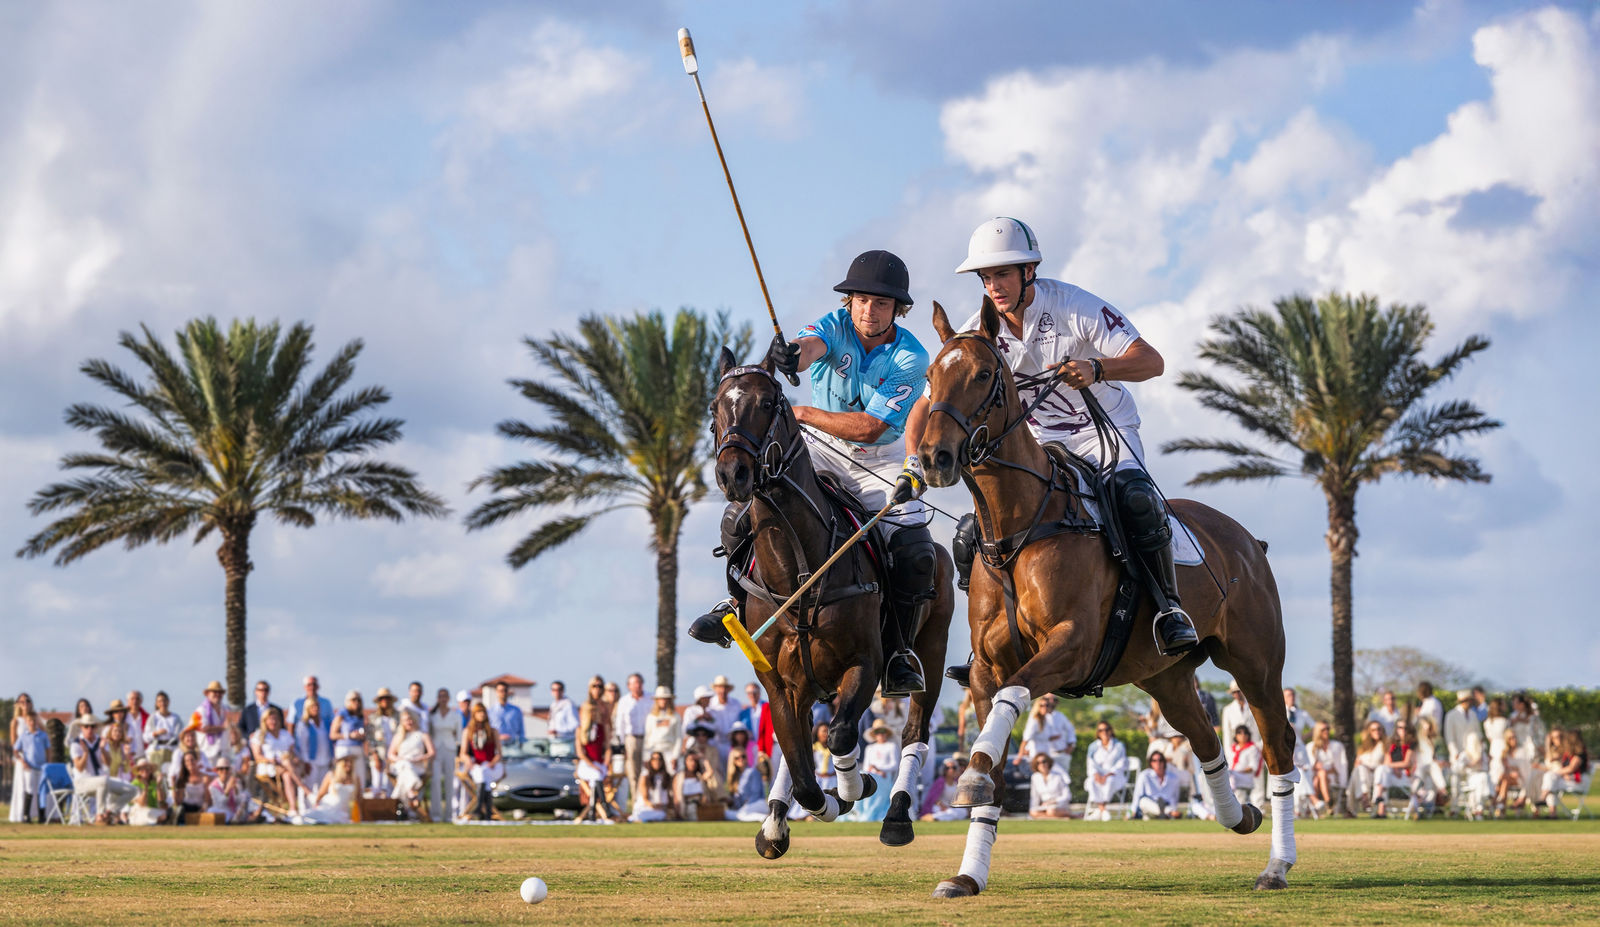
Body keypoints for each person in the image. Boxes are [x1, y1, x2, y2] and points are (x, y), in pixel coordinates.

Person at [910, 218, 1199, 656]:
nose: (994, 286)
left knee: (1134, 496)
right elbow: (929, 400)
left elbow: (1151, 361)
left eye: (1002, 274)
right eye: (986, 278)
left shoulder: (1073, 305)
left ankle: (1168, 608)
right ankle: (985, 643)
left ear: (1030, 271)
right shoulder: (978, 330)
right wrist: (914, 459)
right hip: (1040, 443)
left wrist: (1099, 368)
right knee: (973, 531)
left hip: (1104, 431)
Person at [689, 249, 937, 696]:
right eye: (861, 300)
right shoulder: (833, 324)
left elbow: (872, 426)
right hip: (819, 451)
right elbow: (810, 348)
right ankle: (734, 599)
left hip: (875, 460)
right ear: (850, 301)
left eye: (881, 303)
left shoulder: (911, 357)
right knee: (745, 512)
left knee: (918, 553)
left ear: (897, 309)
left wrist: (801, 413)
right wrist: (791, 357)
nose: (868, 310)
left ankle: (899, 651)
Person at [70, 714, 139, 823]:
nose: (90, 729)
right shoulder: (76, 743)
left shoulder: (100, 741)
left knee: (132, 790)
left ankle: (109, 812)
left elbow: (108, 763)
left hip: (101, 781)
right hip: (82, 782)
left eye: (92, 726)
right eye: (86, 726)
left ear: (96, 728)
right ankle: (99, 816)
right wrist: (86, 753)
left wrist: (102, 750)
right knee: (103, 780)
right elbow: (79, 768)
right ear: (81, 727)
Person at [252, 706, 305, 814]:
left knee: (288, 773)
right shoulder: (259, 735)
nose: (273, 722)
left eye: (275, 719)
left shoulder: (285, 734)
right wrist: (271, 760)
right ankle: (303, 792)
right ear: (265, 721)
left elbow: (292, 752)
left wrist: (294, 759)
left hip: (286, 768)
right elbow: (257, 756)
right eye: (270, 719)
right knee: (288, 772)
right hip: (268, 767)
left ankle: (295, 807)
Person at [388, 708, 435, 821]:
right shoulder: (399, 736)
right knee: (405, 764)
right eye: (405, 720)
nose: (408, 722)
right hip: (400, 766)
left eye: (410, 719)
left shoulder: (422, 735)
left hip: (417, 767)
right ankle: (412, 792)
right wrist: (400, 759)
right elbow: (390, 754)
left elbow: (432, 753)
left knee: (407, 767)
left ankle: (405, 801)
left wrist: (420, 758)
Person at [460, 702, 503, 821]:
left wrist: (492, 763)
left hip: (492, 765)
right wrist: (468, 760)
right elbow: (463, 753)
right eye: (479, 712)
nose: (482, 714)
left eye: (483, 712)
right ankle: (487, 812)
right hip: (477, 765)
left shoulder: (493, 731)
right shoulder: (468, 732)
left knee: (484, 772)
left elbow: (499, 753)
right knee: (482, 773)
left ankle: (479, 808)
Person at [9, 692, 46, 823]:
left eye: (28, 701)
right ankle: (23, 814)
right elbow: (14, 744)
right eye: (22, 701)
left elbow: (44, 735)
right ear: (18, 704)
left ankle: (38, 814)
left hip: (36, 759)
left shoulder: (36, 719)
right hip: (23, 759)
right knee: (24, 787)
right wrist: (20, 759)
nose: (25, 704)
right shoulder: (15, 721)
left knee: (37, 786)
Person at [428, 687, 463, 820]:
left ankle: (450, 814)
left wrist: (459, 754)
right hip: (436, 750)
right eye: (440, 696)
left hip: (450, 750)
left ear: (448, 698)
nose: (443, 699)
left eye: (445, 696)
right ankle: (436, 814)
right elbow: (429, 734)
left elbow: (459, 736)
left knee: (450, 782)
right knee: (436, 781)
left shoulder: (455, 715)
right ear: (438, 698)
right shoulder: (432, 715)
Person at [853, 720, 899, 822]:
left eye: (882, 731)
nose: (880, 734)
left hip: (884, 778)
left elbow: (895, 765)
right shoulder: (870, 748)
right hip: (871, 776)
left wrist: (880, 769)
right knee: (861, 777)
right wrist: (872, 770)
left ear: (886, 733)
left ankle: (870, 814)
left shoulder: (891, 746)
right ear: (874, 734)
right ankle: (859, 812)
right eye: (878, 732)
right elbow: (866, 766)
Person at [613, 673, 650, 800]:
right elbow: (620, 724)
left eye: (639, 682)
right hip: (631, 739)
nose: (637, 686)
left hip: (648, 739)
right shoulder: (624, 701)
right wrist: (622, 744)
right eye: (634, 683)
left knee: (647, 771)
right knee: (633, 772)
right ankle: (636, 801)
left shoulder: (651, 698)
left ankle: (647, 800)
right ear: (629, 686)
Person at [1085, 721, 1128, 822]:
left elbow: (1122, 763)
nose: (1104, 732)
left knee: (1109, 781)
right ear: (1098, 732)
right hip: (1098, 775)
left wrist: (1108, 774)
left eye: (1106, 729)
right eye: (1101, 730)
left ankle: (1099, 811)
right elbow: (1090, 764)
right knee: (1091, 781)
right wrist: (1096, 774)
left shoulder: (1119, 746)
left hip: (1114, 775)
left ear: (1111, 731)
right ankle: (1103, 810)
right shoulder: (1093, 747)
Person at [1374, 718, 1416, 818]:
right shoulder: (1391, 744)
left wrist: (1393, 767)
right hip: (1392, 774)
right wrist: (1393, 768)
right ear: (1396, 729)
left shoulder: (1412, 744)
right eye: (1400, 727)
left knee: (1383, 772)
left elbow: (1407, 763)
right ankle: (1380, 803)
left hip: (1406, 775)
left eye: (1405, 728)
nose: (1403, 730)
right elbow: (1386, 761)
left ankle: (1379, 801)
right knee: (1382, 770)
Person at [1017, 695, 1075, 770]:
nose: (1045, 707)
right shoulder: (1034, 720)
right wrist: (1020, 756)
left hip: (1046, 756)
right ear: (1037, 706)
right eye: (1042, 705)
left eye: (1047, 705)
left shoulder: (1046, 720)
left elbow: (1043, 737)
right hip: (1037, 757)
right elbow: (1026, 739)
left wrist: (1053, 738)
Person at [300, 755, 361, 825]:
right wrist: (316, 803)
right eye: (346, 761)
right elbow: (321, 794)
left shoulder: (355, 778)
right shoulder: (331, 775)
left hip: (343, 814)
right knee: (306, 817)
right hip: (328, 808)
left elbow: (358, 798)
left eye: (350, 761)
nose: (349, 764)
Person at [329, 691, 370, 793]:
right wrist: (349, 735)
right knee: (344, 777)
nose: (356, 702)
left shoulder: (360, 716)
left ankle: (358, 803)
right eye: (353, 700)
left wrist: (362, 736)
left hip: (358, 749)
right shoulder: (342, 714)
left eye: (358, 700)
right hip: (344, 750)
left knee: (359, 777)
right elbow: (332, 734)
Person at [294, 697, 333, 801]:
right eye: (312, 706)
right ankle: (305, 810)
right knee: (308, 786)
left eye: (317, 706)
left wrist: (331, 758)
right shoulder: (303, 724)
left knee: (323, 788)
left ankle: (321, 808)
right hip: (311, 761)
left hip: (325, 759)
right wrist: (306, 761)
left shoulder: (324, 723)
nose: (315, 708)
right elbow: (302, 745)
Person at [207, 756, 262, 824]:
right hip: (223, 812)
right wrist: (227, 790)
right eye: (221, 769)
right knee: (211, 811)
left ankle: (253, 815)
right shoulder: (213, 786)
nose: (224, 771)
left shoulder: (235, 781)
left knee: (246, 795)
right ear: (217, 771)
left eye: (226, 769)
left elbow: (239, 801)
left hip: (235, 811)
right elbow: (220, 804)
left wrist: (236, 790)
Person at [1307, 722, 1348, 814]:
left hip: (1332, 777)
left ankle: (1316, 807)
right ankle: (1328, 801)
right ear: (1317, 732)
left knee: (1321, 774)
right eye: (1323, 730)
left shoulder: (1337, 746)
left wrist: (1324, 769)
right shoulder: (1310, 747)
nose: (1326, 732)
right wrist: (1318, 767)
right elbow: (1309, 766)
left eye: (1328, 729)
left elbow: (1340, 765)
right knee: (1318, 777)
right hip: (1315, 777)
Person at [1132, 751, 1184, 819]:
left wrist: (1174, 809)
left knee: (1167, 807)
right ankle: (1167, 813)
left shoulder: (1174, 778)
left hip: (1166, 805)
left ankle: (1165, 813)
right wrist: (1132, 813)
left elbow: (1174, 798)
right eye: (1154, 760)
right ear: (1151, 762)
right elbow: (1137, 795)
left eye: (1160, 760)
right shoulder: (1144, 775)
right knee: (1143, 801)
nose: (1158, 763)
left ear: (1164, 762)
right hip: (1150, 808)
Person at [367, 688, 401, 794]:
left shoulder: (398, 717)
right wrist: (375, 756)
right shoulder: (373, 718)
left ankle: (392, 809)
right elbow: (370, 738)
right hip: (379, 755)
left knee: (393, 785)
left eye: (387, 698)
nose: (385, 701)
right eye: (382, 699)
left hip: (395, 755)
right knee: (378, 785)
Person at [643, 686, 682, 771]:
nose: (663, 701)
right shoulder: (651, 717)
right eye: (661, 699)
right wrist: (646, 757)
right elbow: (647, 738)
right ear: (657, 700)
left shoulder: (675, 717)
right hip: (653, 752)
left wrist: (675, 756)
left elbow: (678, 738)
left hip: (669, 751)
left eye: (665, 699)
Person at [142, 691, 182, 774]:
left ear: (168, 702)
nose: (162, 703)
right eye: (160, 701)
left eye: (164, 700)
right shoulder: (153, 717)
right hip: (155, 749)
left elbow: (179, 735)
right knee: (156, 775)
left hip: (171, 749)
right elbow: (145, 737)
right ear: (157, 703)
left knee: (170, 775)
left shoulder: (175, 718)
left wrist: (171, 736)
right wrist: (156, 733)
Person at [192, 680, 231, 765]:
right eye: (214, 692)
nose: (217, 694)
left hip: (224, 753)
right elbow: (203, 728)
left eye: (220, 692)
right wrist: (223, 727)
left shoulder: (226, 709)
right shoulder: (200, 710)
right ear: (208, 694)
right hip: (208, 754)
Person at [630, 752, 676, 823]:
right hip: (646, 808)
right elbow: (645, 800)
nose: (657, 762)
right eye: (654, 759)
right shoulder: (645, 776)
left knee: (667, 814)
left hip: (661, 808)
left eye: (659, 759)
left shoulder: (666, 777)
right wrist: (655, 807)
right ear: (650, 761)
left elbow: (669, 797)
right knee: (660, 815)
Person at [920, 757, 970, 821]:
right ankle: (934, 817)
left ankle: (935, 817)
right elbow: (933, 798)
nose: (951, 770)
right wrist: (942, 806)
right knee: (949, 812)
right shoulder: (940, 782)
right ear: (944, 769)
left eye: (954, 768)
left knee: (962, 811)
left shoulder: (957, 782)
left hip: (952, 808)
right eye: (948, 768)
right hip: (939, 807)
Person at [1028, 753, 1073, 818]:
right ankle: (1059, 819)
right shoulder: (1035, 777)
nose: (1042, 765)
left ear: (1048, 763)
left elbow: (1068, 796)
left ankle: (1044, 818)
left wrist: (1054, 801)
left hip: (1058, 805)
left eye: (1044, 762)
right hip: (1044, 806)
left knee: (1051, 811)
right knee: (1033, 812)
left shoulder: (1058, 776)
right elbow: (1034, 797)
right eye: (1038, 763)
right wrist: (1033, 810)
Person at [237, 680, 279, 751]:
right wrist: (248, 736)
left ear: (269, 692)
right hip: (252, 748)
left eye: (265, 690)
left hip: (272, 747)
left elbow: (281, 728)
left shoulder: (276, 710)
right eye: (260, 690)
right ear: (256, 692)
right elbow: (240, 728)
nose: (263, 692)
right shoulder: (247, 710)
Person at [674, 751, 716, 820]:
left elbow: (710, 772)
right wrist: (677, 810)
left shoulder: (699, 776)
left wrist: (703, 758)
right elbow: (676, 796)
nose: (693, 763)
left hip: (701, 805)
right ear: (685, 761)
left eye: (695, 760)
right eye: (690, 760)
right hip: (687, 805)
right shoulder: (679, 777)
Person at [126, 759, 169, 826]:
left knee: (163, 815)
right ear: (138, 772)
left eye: (147, 768)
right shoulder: (134, 784)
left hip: (153, 810)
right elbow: (142, 804)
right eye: (141, 769)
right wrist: (145, 788)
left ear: (151, 770)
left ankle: (153, 822)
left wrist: (158, 785)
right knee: (149, 815)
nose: (145, 770)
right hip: (139, 810)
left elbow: (161, 801)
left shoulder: (154, 782)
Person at [1227, 724, 1260, 808]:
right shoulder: (1232, 748)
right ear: (1236, 735)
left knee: (1232, 776)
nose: (1243, 735)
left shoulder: (1252, 748)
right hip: (1232, 776)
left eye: (1245, 733)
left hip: (1245, 777)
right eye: (1239, 733)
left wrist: (1237, 772)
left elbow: (1253, 767)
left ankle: (1229, 794)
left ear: (1248, 735)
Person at [542, 681, 578, 756]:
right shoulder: (553, 705)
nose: (556, 692)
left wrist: (559, 731)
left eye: (559, 689)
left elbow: (575, 724)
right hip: (554, 744)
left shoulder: (569, 705)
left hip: (565, 744)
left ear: (563, 691)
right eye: (554, 690)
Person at [124, 690, 150, 759]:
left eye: (137, 699)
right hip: (126, 755)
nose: (135, 701)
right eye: (132, 699)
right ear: (128, 701)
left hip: (143, 755)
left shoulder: (147, 717)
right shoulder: (123, 716)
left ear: (141, 701)